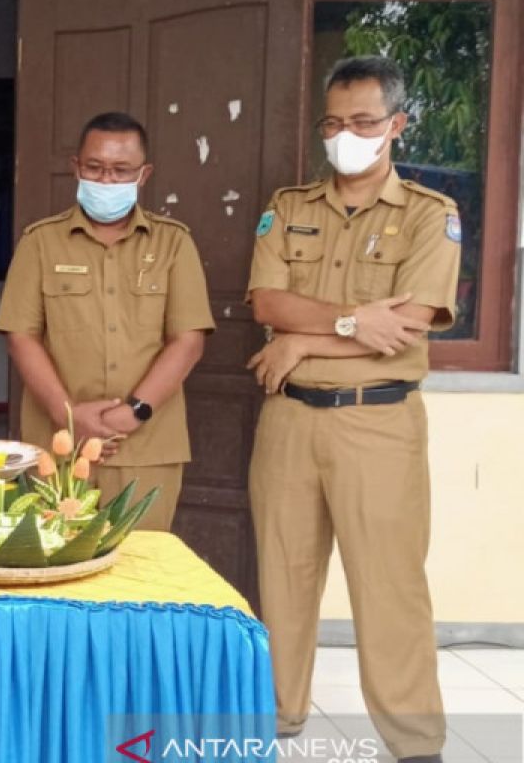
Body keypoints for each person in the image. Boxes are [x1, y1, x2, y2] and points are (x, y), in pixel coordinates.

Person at [246, 56, 458, 763]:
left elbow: (407, 325)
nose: (347, 135)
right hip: (290, 422)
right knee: (281, 581)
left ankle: (415, 742)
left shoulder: (431, 216)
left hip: (379, 423)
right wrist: (344, 326)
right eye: (334, 123)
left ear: (396, 125)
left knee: (391, 590)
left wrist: (303, 341)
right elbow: (267, 304)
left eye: (363, 122)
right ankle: (278, 721)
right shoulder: (290, 207)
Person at [0, 112, 214, 530]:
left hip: (147, 447)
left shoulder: (174, 243)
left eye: (121, 170)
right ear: (77, 167)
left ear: (143, 174)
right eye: (95, 168)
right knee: (54, 571)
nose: (107, 180)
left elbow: (188, 340)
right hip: (58, 445)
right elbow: (21, 337)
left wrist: (134, 412)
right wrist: (69, 418)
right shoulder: (40, 242)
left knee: (142, 575)